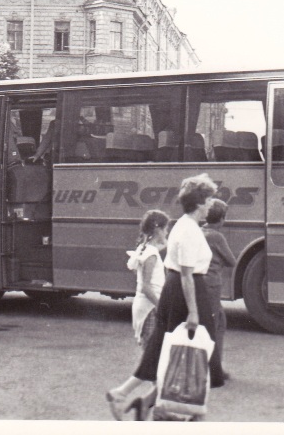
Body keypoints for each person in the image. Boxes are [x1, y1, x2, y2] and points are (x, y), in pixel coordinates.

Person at [106, 173, 223, 421]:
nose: (212, 204)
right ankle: (176, 408)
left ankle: (136, 397)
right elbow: (187, 275)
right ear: (199, 202)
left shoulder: (184, 225)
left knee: (163, 347)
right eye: (210, 199)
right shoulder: (189, 230)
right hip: (185, 293)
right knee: (191, 347)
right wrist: (193, 312)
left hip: (176, 291)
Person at [202, 199, 236, 382]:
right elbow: (232, 261)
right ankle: (215, 370)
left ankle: (210, 367)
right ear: (221, 219)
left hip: (199, 283)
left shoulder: (199, 232)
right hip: (212, 285)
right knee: (216, 325)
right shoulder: (217, 236)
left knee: (210, 323)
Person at [126, 210, 170, 347]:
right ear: (158, 229)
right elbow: (145, 286)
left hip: (144, 306)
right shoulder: (151, 255)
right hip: (149, 308)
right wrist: (161, 306)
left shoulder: (143, 248)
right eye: (166, 229)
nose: (167, 232)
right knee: (152, 353)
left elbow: (136, 272)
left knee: (151, 354)